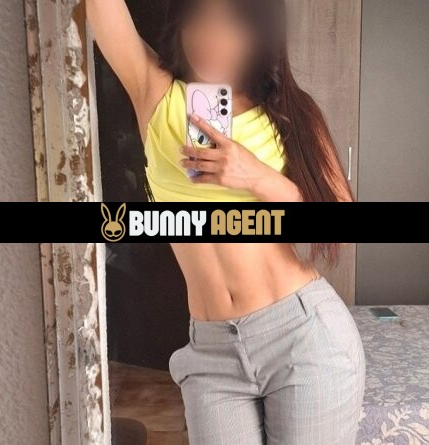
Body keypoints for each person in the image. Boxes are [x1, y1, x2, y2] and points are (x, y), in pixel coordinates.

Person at [87, 0, 365, 444]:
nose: (212, 36)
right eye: (199, 18)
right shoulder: (156, 94)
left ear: (259, 33)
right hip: (211, 350)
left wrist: (255, 176)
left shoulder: (292, 114)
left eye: (233, 23)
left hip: (302, 336)